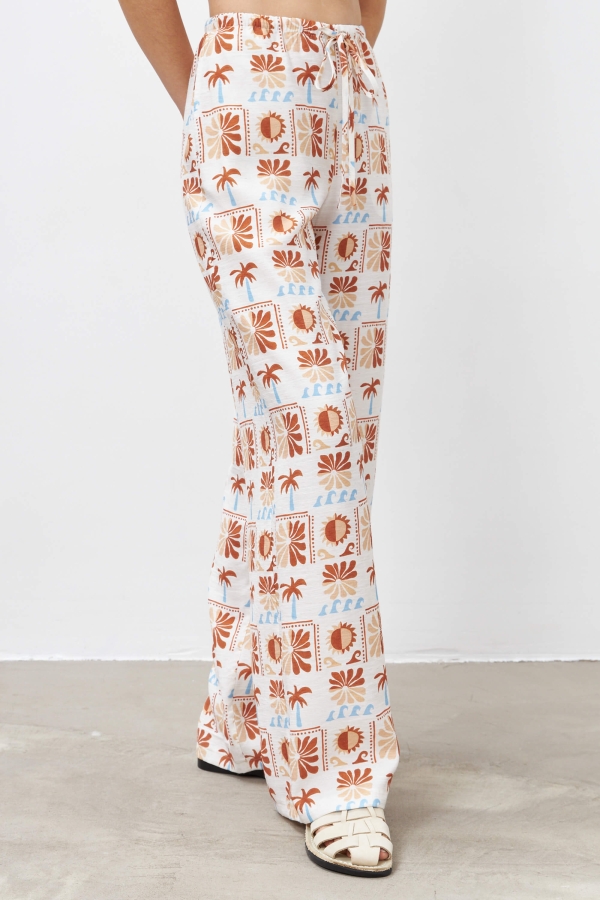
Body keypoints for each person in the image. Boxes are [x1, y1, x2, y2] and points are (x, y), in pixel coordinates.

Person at [118, 0, 398, 877]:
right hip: (245, 87)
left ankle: (243, 710)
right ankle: (338, 774)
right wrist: (209, 88)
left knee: (323, 427)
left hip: (353, 94)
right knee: (317, 429)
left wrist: (336, 63)